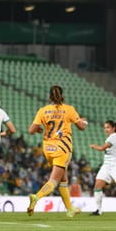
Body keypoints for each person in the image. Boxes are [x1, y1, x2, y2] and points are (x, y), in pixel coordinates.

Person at [27, 85, 87, 217]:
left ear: (49, 96)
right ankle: (36, 197)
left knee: (63, 179)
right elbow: (81, 127)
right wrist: (83, 121)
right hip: (62, 148)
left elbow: (31, 130)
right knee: (54, 180)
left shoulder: (43, 110)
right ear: (62, 96)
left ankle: (70, 209)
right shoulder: (69, 109)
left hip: (48, 149)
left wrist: (38, 129)